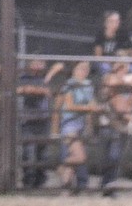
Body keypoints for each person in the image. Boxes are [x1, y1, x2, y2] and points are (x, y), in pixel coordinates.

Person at [96, 55, 132, 196]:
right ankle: (107, 183)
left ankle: (109, 184)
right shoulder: (109, 77)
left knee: (117, 156)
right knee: (111, 155)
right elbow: (111, 84)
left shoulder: (129, 78)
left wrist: (131, 82)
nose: (123, 70)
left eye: (125, 67)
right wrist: (131, 84)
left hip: (124, 123)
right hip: (110, 122)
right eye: (119, 67)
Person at [53, 61, 102, 194]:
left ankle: (65, 186)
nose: (84, 71)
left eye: (86, 69)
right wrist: (89, 108)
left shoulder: (88, 85)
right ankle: (60, 167)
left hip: (80, 125)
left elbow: (91, 103)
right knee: (80, 157)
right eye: (81, 68)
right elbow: (69, 105)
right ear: (74, 70)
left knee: (73, 156)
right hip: (69, 124)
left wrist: (94, 110)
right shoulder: (69, 84)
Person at [17, 57, 64, 188]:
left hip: (44, 120)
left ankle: (40, 181)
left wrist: (45, 84)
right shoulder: (25, 77)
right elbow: (28, 90)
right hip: (28, 121)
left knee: (42, 153)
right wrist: (51, 74)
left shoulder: (45, 79)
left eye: (41, 64)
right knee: (28, 152)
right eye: (35, 63)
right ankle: (28, 181)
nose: (38, 66)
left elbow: (50, 92)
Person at [92, 11, 123, 75]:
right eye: (112, 21)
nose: (115, 24)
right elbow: (98, 56)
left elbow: (121, 53)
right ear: (106, 23)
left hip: (115, 62)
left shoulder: (120, 36)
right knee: (105, 67)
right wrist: (110, 63)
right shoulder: (100, 35)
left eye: (117, 21)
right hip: (101, 62)